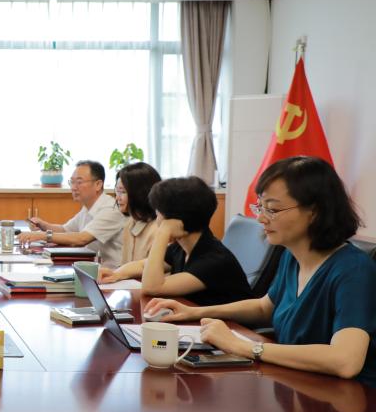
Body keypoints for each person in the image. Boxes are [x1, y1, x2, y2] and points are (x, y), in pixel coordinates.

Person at [146, 157, 376, 385]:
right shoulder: (292, 256)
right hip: (295, 382)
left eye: (272, 209)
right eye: (260, 207)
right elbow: (264, 307)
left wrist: (246, 347)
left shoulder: (353, 269)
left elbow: (345, 361)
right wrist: (193, 312)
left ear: (314, 211)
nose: (260, 218)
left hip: (346, 397)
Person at [106, 176, 250, 304]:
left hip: (231, 325)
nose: (157, 219)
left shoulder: (213, 260)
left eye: (158, 213)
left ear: (175, 220)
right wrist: (116, 274)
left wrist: (162, 233)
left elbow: (152, 288)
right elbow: (142, 266)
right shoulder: (182, 247)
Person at [18, 160, 125, 268]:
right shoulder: (88, 207)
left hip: (114, 273)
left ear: (98, 184)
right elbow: (65, 230)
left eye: (79, 182)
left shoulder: (110, 209)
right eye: (72, 182)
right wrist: (44, 225)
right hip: (93, 268)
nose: (73, 187)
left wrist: (42, 236)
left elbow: (81, 239)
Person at [98, 162, 161, 282]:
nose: (117, 198)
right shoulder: (130, 224)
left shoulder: (158, 229)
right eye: (117, 191)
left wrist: (117, 274)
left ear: (140, 193)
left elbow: (152, 270)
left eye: (123, 192)